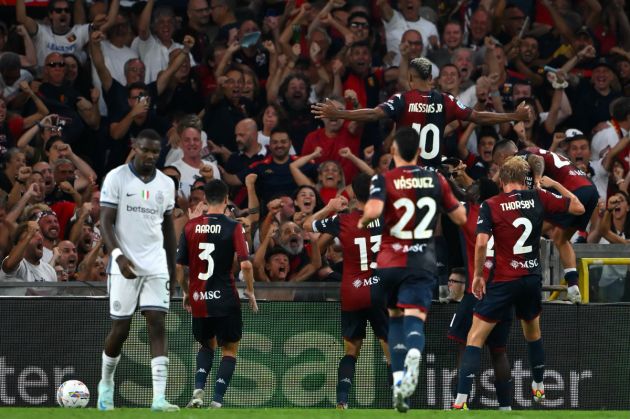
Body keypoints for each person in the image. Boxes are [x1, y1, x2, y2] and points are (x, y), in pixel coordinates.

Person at [452, 157, 585, 410]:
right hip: (531, 278)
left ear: (501, 181)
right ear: (524, 179)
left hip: (503, 280)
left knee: (475, 338)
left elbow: (481, 243)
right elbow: (578, 207)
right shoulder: (538, 197)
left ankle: (460, 401)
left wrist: (479, 275)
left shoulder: (491, 204)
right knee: (533, 334)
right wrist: (555, 183)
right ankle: (538, 384)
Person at [358, 127, 466, 412]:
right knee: (415, 318)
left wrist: (363, 221)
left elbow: (372, 211)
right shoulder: (436, 179)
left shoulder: (384, 178)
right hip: (422, 261)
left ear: (393, 152)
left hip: (390, 262)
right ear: (419, 152)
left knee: (394, 318)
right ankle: (415, 351)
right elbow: (460, 215)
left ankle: (397, 382)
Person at [312, 57, 530, 167]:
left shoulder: (402, 99)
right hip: (434, 174)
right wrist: (514, 116)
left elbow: (373, 114)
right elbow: (479, 117)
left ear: (409, 79)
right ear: (431, 79)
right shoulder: (446, 100)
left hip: (406, 171)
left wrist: (339, 114)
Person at [97, 129, 178, 412]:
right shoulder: (116, 178)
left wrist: (173, 270)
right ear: (134, 147)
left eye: (156, 152)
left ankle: (158, 398)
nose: (151, 156)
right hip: (124, 265)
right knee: (121, 329)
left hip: (155, 265)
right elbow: (104, 222)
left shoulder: (167, 184)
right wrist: (118, 257)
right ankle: (106, 383)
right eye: (146, 150)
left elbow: (168, 229)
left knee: (157, 323)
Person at [304, 174, 390, 409]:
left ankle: (342, 401)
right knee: (389, 345)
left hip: (352, 290)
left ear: (352, 194)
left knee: (351, 350)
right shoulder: (386, 218)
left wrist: (329, 207)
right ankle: (400, 400)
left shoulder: (342, 220)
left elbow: (307, 225)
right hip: (378, 289)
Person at [176, 179, 257, 409]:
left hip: (200, 299)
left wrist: (185, 292)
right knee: (229, 349)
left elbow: (179, 267)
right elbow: (247, 265)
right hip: (225, 298)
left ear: (204, 200)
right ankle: (217, 400)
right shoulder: (233, 226)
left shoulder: (190, 226)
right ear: (227, 199)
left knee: (205, 346)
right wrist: (250, 291)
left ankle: (197, 390)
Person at [493, 139, 599, 303]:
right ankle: (573, 287)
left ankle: (521, 281)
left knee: (525, 230)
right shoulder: (534, 152)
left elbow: (538, 161)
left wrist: (537, 178)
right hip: (590, 191)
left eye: (498, 164)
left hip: (574, 191)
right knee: (560, 238)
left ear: (502, 156)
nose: (501, 169)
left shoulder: (521, 155)